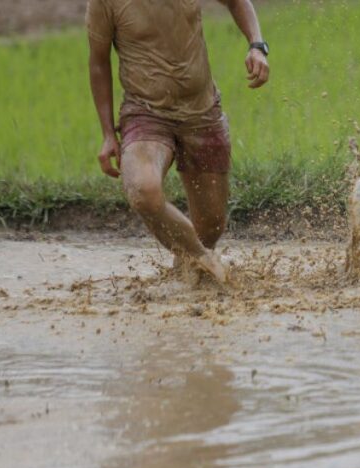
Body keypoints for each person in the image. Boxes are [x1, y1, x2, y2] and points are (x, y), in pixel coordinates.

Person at [87, 0, 271, 283]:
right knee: (143, 190)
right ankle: (203, 259)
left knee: (211, 226)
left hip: (202, 113)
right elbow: (99, 62)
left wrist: (257, 46)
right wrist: (108, 134)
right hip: (145, 112)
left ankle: (187, 272)